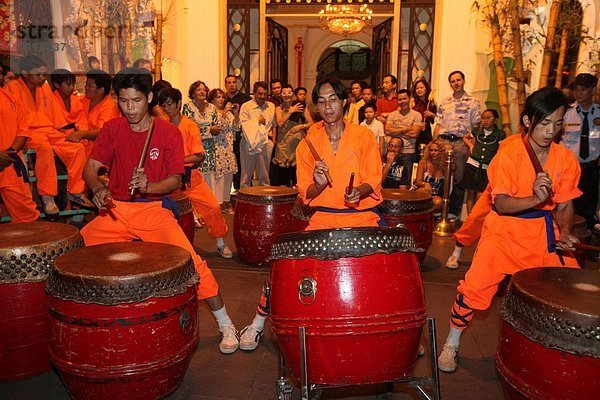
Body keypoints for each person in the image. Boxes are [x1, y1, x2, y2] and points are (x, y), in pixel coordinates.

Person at [81, 68, 240, 354]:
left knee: (191, 263)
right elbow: (91, 167)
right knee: (74, 254)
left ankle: (225, 322)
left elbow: (176, 180)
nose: (129, 108)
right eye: (124, 101)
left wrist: (149, 185)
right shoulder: (112, 129)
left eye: (137, 101)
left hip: (152, 210)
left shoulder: (168, 133)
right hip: (115, 210)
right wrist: (97, 189)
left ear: (150, 97)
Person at [437, 86, 581, 373]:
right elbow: (501, 204)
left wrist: (564, 233)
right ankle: (451, 343)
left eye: (558, 122)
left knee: (570, 288)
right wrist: (536, 198)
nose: (551, 130)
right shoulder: (508, 155)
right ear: (528, 121)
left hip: (542, 234)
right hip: (502, 233)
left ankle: (554, 356)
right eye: (545, 122)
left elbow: (564, 205)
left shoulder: (566, 159)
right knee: (476, 288)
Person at [240, 77, 384, 352]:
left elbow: (373, 177)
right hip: (324, 218)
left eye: (333, 99)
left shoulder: (363, 135)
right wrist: (318, 183)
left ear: (344, 102)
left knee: (382, 271)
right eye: (321, 101)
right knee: (291, 269)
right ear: (316, 106)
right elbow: (307, 193)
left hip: (362, 217)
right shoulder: (307, 142)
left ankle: (393, 328)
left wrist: (360, 191)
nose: (328, 106)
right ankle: (258, 321)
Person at [3, 55, 92, 214]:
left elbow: (52, 116)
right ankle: (48, 197)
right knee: (44, 148)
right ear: (25, 73)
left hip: (48, 131)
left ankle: (76, 192)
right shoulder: (12, 88)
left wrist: (62, 132)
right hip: (27, 133)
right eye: (38, 74)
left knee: (77, 148)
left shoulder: (44, 87)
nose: (43, 78)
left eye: (44, 74)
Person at [160, 88, 233, 258]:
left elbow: (199, 155)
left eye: (170, 104)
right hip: (169, 178)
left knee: (213, 208)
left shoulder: (190, 125)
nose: (167, 109)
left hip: (191, 177)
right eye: (164, 106)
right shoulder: (163, 126)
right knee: (163, 212)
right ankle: (170, 247)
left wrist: (177, 161)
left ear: (179, 104)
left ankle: (221, 243)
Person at [445, 129, 525, 269]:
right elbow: (498, 166)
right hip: (499, 189)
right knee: (475, 217)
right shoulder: (511, 143)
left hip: (526, 197)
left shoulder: (554, 148)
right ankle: (456, 252)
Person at [434, 70, 482, 221]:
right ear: (450, 84)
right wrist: (434, 142)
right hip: (443, 141)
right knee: (440, 176)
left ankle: (453, 213)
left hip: (461, 143)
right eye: (453, 81)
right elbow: (438, 124)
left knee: (459, 178)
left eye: (458, 80)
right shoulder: (444, 102)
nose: (456, 83)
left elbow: (476, 126)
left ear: (463, 80)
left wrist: (470, 145)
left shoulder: (473, 102)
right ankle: (438, 211)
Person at [561, 73, 599, 230]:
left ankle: (586, 248)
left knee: (588, 210)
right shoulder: (565, 113)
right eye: (576, 89)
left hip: (591, 170)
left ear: (592, 90)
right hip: (569, 169)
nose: (578, 93)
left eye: (583, 89)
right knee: (566, 207)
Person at [0, 87, 40, 222]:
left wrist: (8, 155)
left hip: (10, 165)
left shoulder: (11, 98)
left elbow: (22, 132)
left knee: (27, 216)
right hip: (6, 161)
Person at [461, 109, 505, 215]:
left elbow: (501, 149)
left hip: (486, 167)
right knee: (470, 192)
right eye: (483, 118)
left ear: (495, 120)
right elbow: (465, 137)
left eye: (489, 118)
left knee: (481, 194)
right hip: (472, 164)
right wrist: (471, 145)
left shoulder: (500, 134)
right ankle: (470, 217)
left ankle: (477, 216)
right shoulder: (477, 131)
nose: (485, 121)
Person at [67, 69, 121, 157]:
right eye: (86, 84)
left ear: (101, 90)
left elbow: (103, 132)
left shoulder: (110, 107)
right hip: (78, 145)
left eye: (90, 86)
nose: (86, 88)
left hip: (98, 149)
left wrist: (82, 134)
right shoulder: (82, 100)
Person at [271, 83, 313, 187]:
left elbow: (311, 123)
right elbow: (280, 123)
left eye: (289, 92)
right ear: (281, 95)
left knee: (296, 173)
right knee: (282, 174)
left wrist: (301, 126)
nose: (286, 95)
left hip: (296, 142)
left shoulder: (301, 107)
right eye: (284, 93)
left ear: (293, 94)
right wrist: (291, 111)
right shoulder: (278, 109)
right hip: (283, 143)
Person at [182, 81, 220, 194]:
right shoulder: (188, 107)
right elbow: (189, 127)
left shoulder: (212, 107)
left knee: (210, 179)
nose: (202, 92)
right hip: (194, 148)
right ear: (192, 93)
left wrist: (201, 128)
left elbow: (216, 128)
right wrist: (208, 129)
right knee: (196, 177)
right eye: (199, 90)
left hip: (210, 148)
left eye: (204, 89)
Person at [239, 81, 275, 188]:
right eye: (260, 94)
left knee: (264, 175)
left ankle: (264, 200)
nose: (262, 96)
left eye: (265, 94)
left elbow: (274, 124)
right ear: (254, 93)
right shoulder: (246, 106)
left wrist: (272, 141)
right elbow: (241, 124)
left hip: (265, 142)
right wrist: (256, 120)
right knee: (246, 175)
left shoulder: (271, 106)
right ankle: (245, 200)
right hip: (248, 142)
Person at [208, 88, 239, 213]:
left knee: (228, 175)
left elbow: (237, 127)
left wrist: (236, 114)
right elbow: (218, 127)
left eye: (222, 97)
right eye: (218, 97)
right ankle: (218, 202)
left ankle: (226, 201)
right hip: (218, 148)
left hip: (229, 148)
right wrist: (225, 111)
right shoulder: (211, 111)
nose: (221, 99)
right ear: (212, 99)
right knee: (219, 178)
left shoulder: (229, 113)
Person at [385, 89, 423, 186]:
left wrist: (395, 131)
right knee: (389, 180)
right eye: (400, 99)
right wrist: (405, 129)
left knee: (405, 183)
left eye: (404, 99)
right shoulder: (392, 115)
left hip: (408, 153)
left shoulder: (416, 115)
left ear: (409, 99)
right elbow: (387, 130)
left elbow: (414, 134)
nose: (402, 102)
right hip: (392, 151)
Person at [224, 74, 252, 192]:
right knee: (231, 161)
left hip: (242, 134)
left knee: (243, 163)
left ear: (237, 83)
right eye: (229, 83)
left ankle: (245, 189)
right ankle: (232, 189)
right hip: (227, 136)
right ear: (226, 85)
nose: (232, 85)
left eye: (234, 82)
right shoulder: (222, 99)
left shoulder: (245, 99)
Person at [414, 139, 448, 211]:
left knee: (438, 202)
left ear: (441, 152)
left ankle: (431, 218)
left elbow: (453, 171)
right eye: (431, 150)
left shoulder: (444, 165)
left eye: (436, 150)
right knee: (424, 191)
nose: (433, 153)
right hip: (422, 190)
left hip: (436, 194)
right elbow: (418, 182)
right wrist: (425, 184)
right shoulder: (423, 162)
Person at [411, 78, 437, 158]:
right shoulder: (413, 102)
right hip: (415, 130)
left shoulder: (431, 103)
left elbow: (435, 120)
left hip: (426, 131)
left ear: (426, 89)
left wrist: (431, 114)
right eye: (417, 88)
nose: (419, 90)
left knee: (426, 155)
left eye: (421, 88)